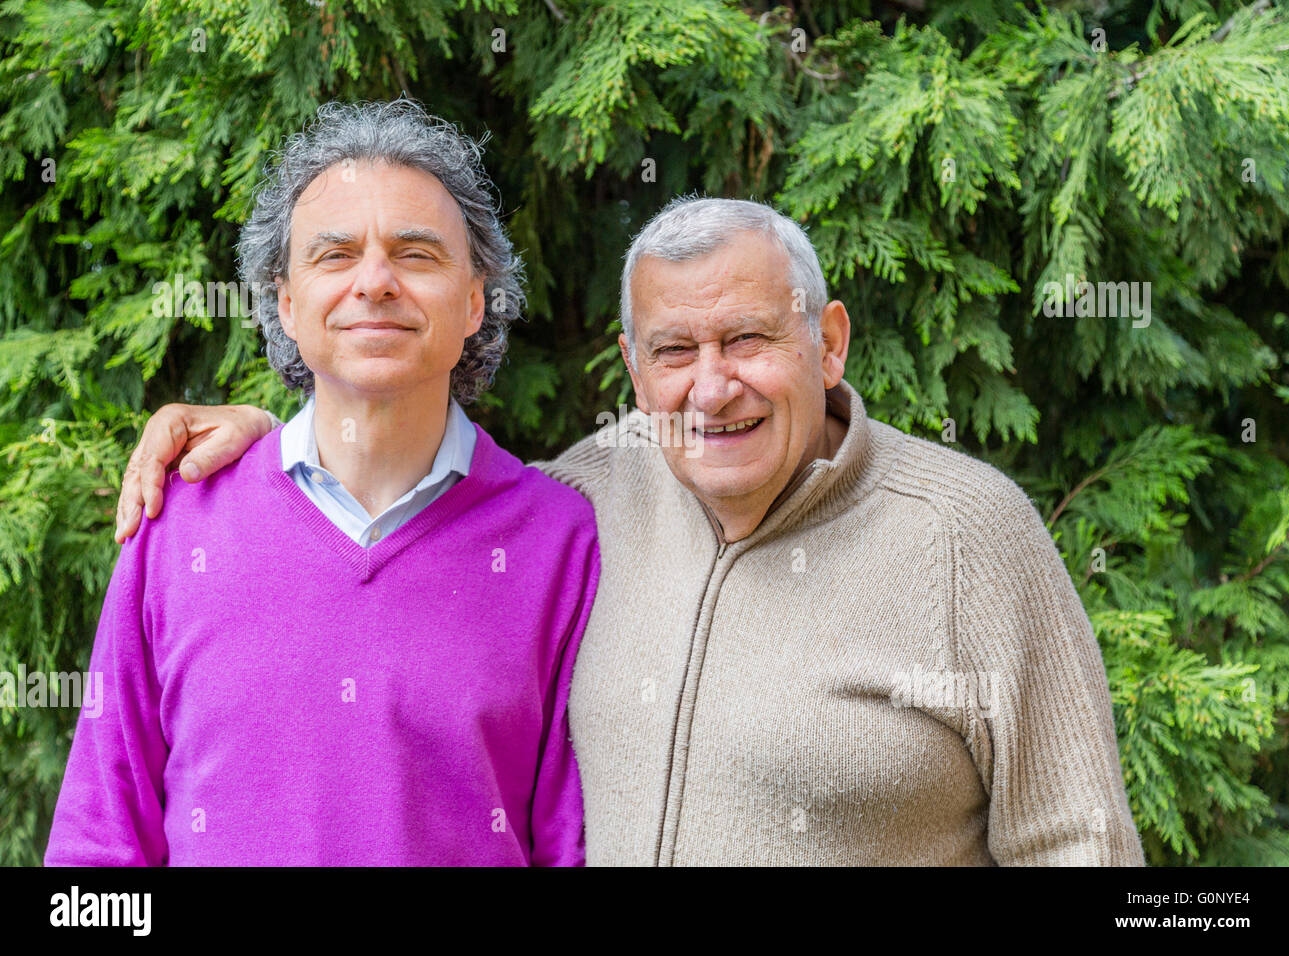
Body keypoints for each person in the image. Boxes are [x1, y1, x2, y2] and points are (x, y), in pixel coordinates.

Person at [113, 187, 1145, 865]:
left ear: (826, 342)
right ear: (630, 364)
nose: (711, 386)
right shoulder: (573, 509)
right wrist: (263, 444)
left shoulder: (967, 532)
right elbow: (410, 484)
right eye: (672, 349)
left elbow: (1079, 843)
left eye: (746, 336)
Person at [46, 100, 599, 866]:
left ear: (475, 301)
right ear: (285, 303)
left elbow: (571, 846)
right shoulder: (177, 524)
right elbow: (97, 849)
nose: (374, 282)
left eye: (416, 253)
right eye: (335, 255)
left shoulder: (561, 541)